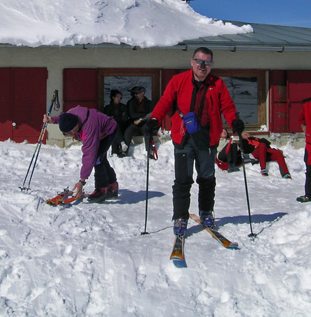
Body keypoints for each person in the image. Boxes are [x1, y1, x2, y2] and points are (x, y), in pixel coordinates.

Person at [148, 47, 248, 236]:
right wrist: (154, 119)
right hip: (183, 138)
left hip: (207, 139)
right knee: (183, 181)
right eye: (199, 61)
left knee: (207, 179)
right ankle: (180, 217)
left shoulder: (217, 84)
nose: (203, 66)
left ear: (212, 64)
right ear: (192, 62)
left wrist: (234, 120)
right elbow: (165, 101)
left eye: (207, 62)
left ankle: (206, 212)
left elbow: (227, 105)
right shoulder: (179, 81)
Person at [44, 106, 119, 203]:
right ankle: (112, 186)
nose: (71, 134)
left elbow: (89, 155)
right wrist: (52, 120)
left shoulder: (88, 129)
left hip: (109, 131)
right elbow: (63, 118)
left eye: (71, 132)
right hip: (99, 131)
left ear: (76, 125)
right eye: (67, 133)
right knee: (101, 158)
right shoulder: (71, 114)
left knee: (96, 159)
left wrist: (82, 181)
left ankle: (101, 190)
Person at [216, 128, 291, 178]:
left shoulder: (255, 139)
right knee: (261, 145)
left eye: (248, 134)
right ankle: (263, 169)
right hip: (253, 153)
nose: (247, 135)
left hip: (262, 150)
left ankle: (285, 174)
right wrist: (242, 139)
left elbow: (267, 144)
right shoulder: (242, 141)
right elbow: (242, 148)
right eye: (245, 134)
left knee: (277, 152)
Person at [123, 86, 153, 152]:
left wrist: (142, 118)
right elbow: (132, 115)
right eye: (134, 94)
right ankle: (124, 151)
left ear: (142, 93)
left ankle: (149, 151)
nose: (135, 95)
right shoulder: (131, 102)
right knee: (128, 132)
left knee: (147, 132)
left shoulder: (149, 103)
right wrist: (145, 114)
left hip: (145, 123)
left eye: (136, 93)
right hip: (135, 124)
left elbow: (152, 114)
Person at [104, 89, 130, 157]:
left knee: (115, 127)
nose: (119, 99)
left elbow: (125, 118)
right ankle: (122, 143)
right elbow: (107, 119)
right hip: (111, 126)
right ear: (113, 97)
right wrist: (120, 116)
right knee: (114, 126)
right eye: (117, 97)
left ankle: (115, 151)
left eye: (120, 97)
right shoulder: (108, 108)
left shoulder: (123, 107)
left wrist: (114, 117)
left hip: (122, 125)